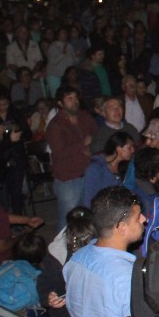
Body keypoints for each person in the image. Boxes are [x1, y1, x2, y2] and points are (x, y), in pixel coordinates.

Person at [64, 186, 145, 317]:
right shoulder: (127, 278)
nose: (144, 219)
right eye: (138, 217)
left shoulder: (76, 259)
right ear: (122, 228)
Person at [44, 86, 96, 229]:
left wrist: (91, 149)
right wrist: (82, 146)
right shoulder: (55, 125)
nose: (75, 102)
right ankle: (63, 250)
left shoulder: (85, 117)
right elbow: (59, 152)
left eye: (76, 98)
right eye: (69, 98)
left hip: (89, 172)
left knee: (89, 216)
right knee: (68, 219)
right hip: (68, 178)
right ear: (60, 103)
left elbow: (97, 136)